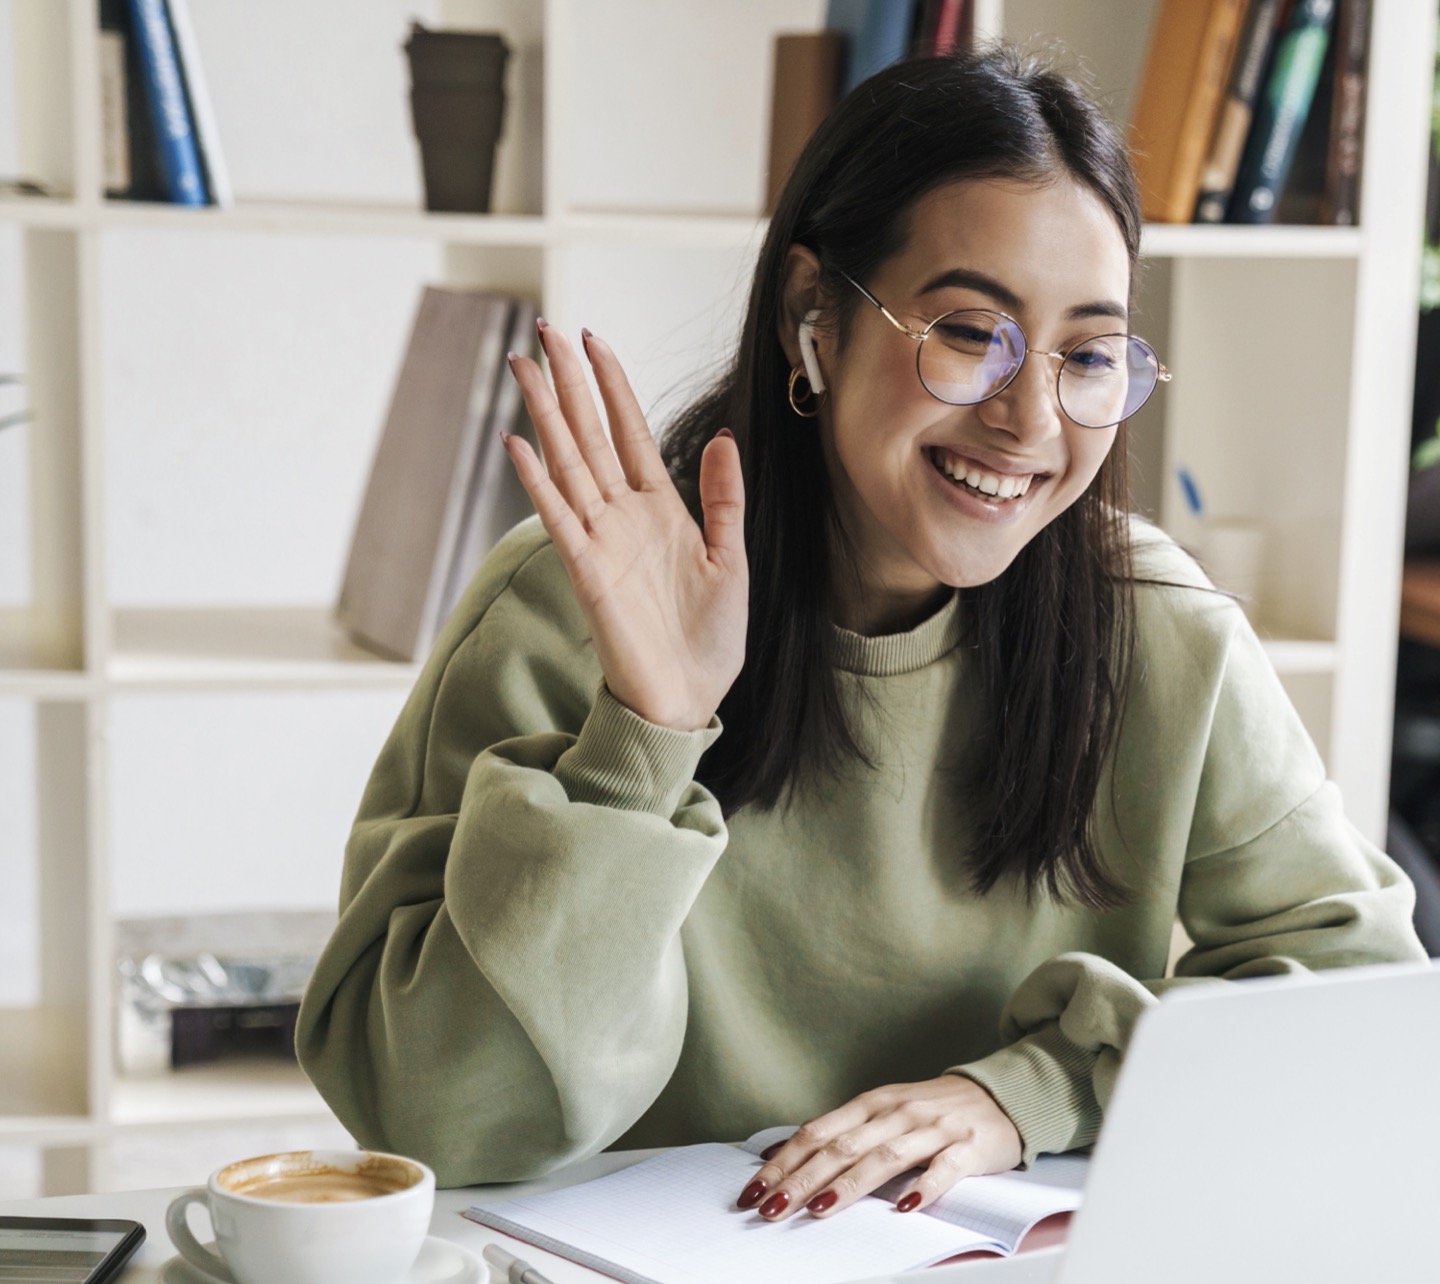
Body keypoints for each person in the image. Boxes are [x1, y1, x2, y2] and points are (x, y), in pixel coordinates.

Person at [296, 48, 1424, 1219]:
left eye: (1088, 355)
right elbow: (437, 1121)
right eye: (968, 330)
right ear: (814, 319)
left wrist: (1035, 1091)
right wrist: (648, 734)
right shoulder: (566, 604)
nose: (1029, 418)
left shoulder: (1157, 630)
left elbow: (1365, 1011)